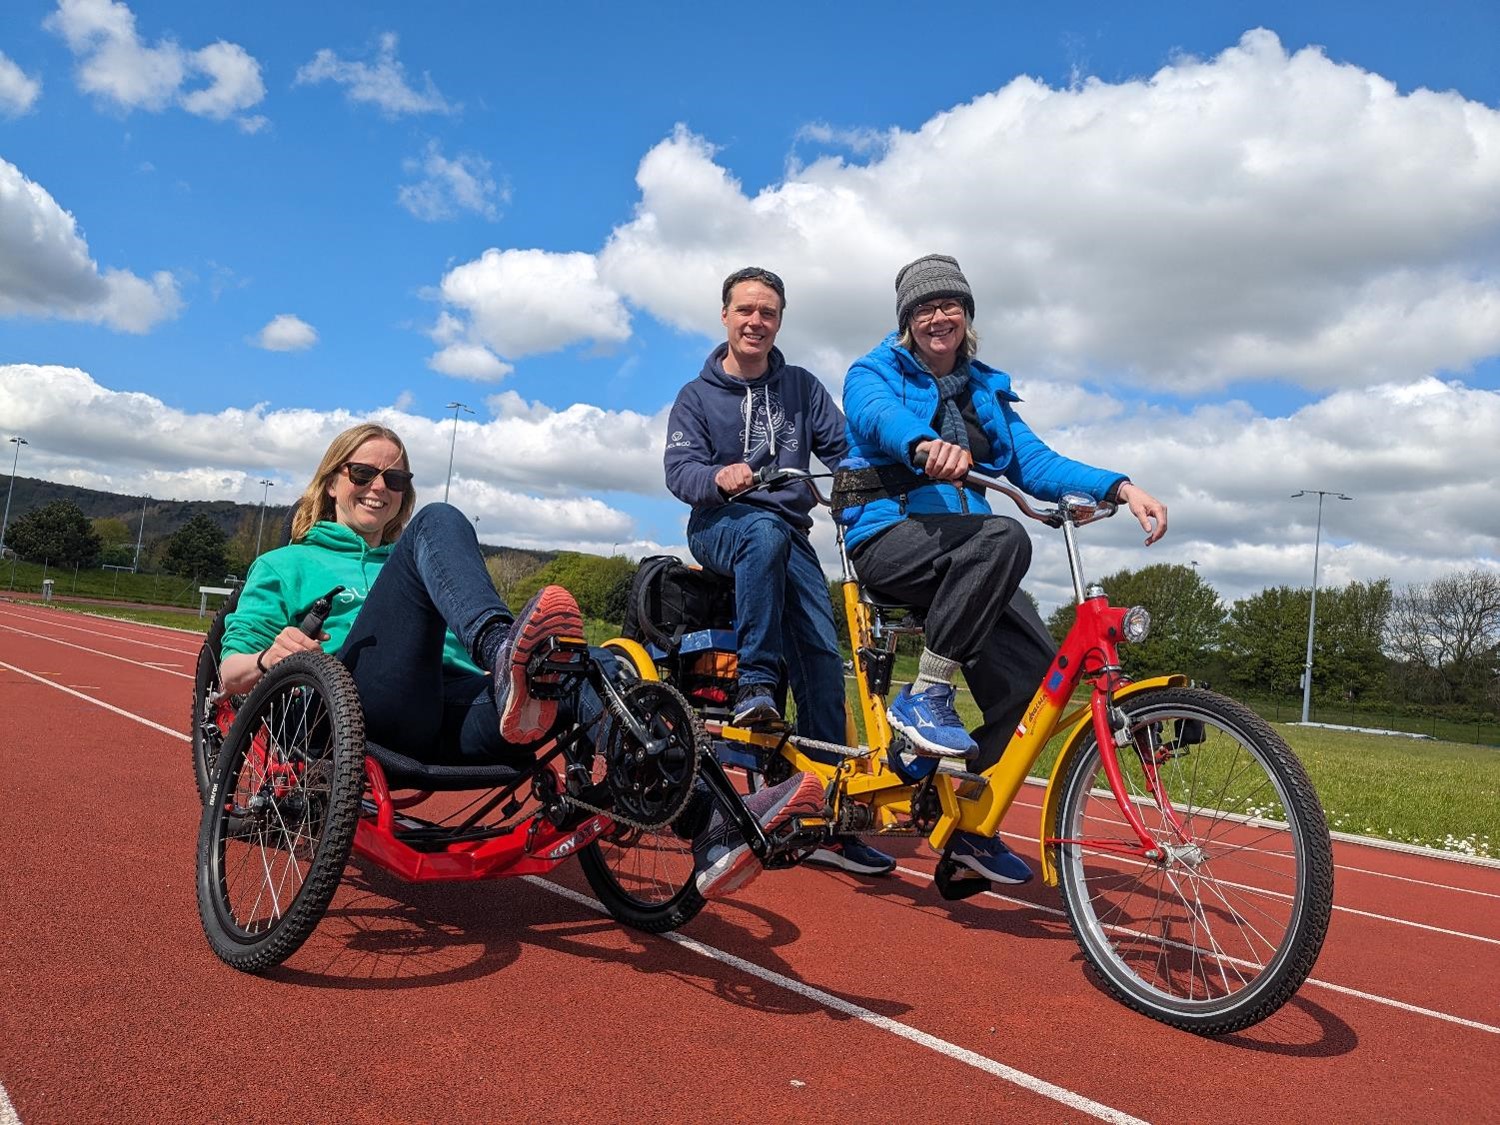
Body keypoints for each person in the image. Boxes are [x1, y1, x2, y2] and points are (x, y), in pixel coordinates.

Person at [219, 421, 822, 897]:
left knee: (595, 670)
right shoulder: (287, 564)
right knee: (440, 522)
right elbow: (232, 673)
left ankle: (712, 826)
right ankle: (505, 653)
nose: (379, 487)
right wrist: (272, 653)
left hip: (471, 720)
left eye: (395, 479)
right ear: (330, 481)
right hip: (366, 707)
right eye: (362, 473)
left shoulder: (430, 560)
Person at [837, 254, 1168, 885]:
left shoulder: (985, 390)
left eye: (950, 305)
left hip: (970, 559)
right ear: (908, 319)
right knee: (1005, 535)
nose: (940, 317)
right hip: (892, 540)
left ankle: (966, 825)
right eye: (925, 308)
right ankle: (928, 694)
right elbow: (877, 416)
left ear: (966, 315)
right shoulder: (872, 371)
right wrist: (921, 444)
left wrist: (1121, 487)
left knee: (1036, 686)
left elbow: (1036, 464)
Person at [664, 267, 896, 878]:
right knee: (761, 530)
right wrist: (717, 477)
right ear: (725, 316)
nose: (755, 321)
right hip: (720, 524)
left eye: (768, 313)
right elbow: (679, 470)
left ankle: (826, 814)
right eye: (745, 310)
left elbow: (842, 448)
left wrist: (863, 483)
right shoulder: (696, 395)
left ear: (779, 321)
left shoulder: (800, 386)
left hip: (789, 534)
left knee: (823, 657)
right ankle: (757, 686)